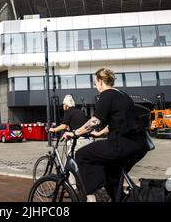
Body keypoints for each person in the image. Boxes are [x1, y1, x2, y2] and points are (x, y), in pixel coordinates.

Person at [63, 67, 149, 202]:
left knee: (81, 155)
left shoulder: (106, 95)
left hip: (122, 143)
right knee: (112, 176)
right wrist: (99, 134)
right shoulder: (122, 95)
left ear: (100, 81)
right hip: (140, 144)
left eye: (95, 83)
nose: (96, 86)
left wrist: (75, 133)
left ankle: (91, 198)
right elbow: (115, 123)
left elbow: (95, 121)